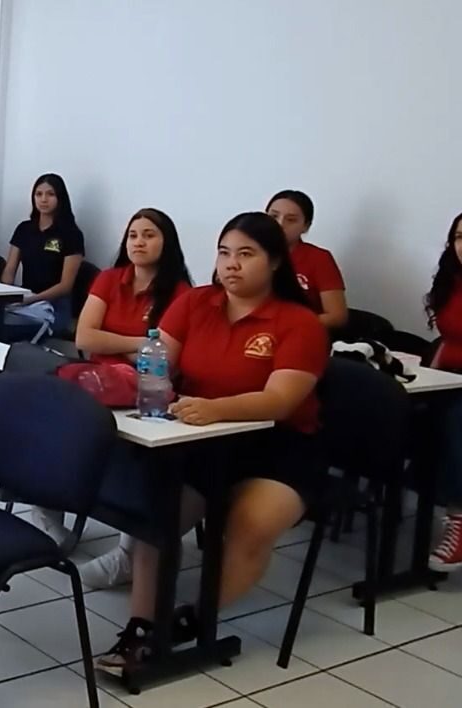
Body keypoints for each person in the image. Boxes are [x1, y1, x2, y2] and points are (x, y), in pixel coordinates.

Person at [95, 212, 329, 677]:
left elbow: (280, 401)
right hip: (200, 439)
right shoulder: (195, 303)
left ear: (276, 262)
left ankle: (196, 620)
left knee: (250, 521)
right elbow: (157, 364)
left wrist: (216, 408)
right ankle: (144, 627)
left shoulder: (299, 323)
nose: (231, 265)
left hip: (280, 448)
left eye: (246, 255)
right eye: (224, 253)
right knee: (155, 515)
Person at [70, 208, 193, 587]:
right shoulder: (109, 280)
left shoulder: (180, 293)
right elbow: (84, 338)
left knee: (138, 461)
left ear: (166, 242)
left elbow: (168, 360)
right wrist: (145, 342)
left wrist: (133, 349)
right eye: (133, 235)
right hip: (95, 382)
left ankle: (128, 553)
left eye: (149, 235)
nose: (139, 242)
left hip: (143, 392)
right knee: (53, 424)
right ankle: (49, 517)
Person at [0, 173, 85, 342]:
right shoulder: (24, 229)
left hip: (54, 306)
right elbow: (10, 270)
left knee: (5, 329)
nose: (43, 199)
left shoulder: (71, 234)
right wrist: (4, 295)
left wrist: (31, 300)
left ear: (60, 198)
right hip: (25, 298)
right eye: (38, 194)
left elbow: (65, 286)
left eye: (50, 194)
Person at [425, 212, 462, 571]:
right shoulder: (451, 281)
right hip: (448, 372)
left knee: (456, 420)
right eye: (460, 236)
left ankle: (459, 518)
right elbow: (446, 337)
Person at [266, 189, 349, 332]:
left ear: (305, 226)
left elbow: (337, 316)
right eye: (274, 216)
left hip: (299, 333)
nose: (280, 224)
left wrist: (288, 324)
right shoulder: (248, 252)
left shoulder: (318, 258)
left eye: (291, 220)